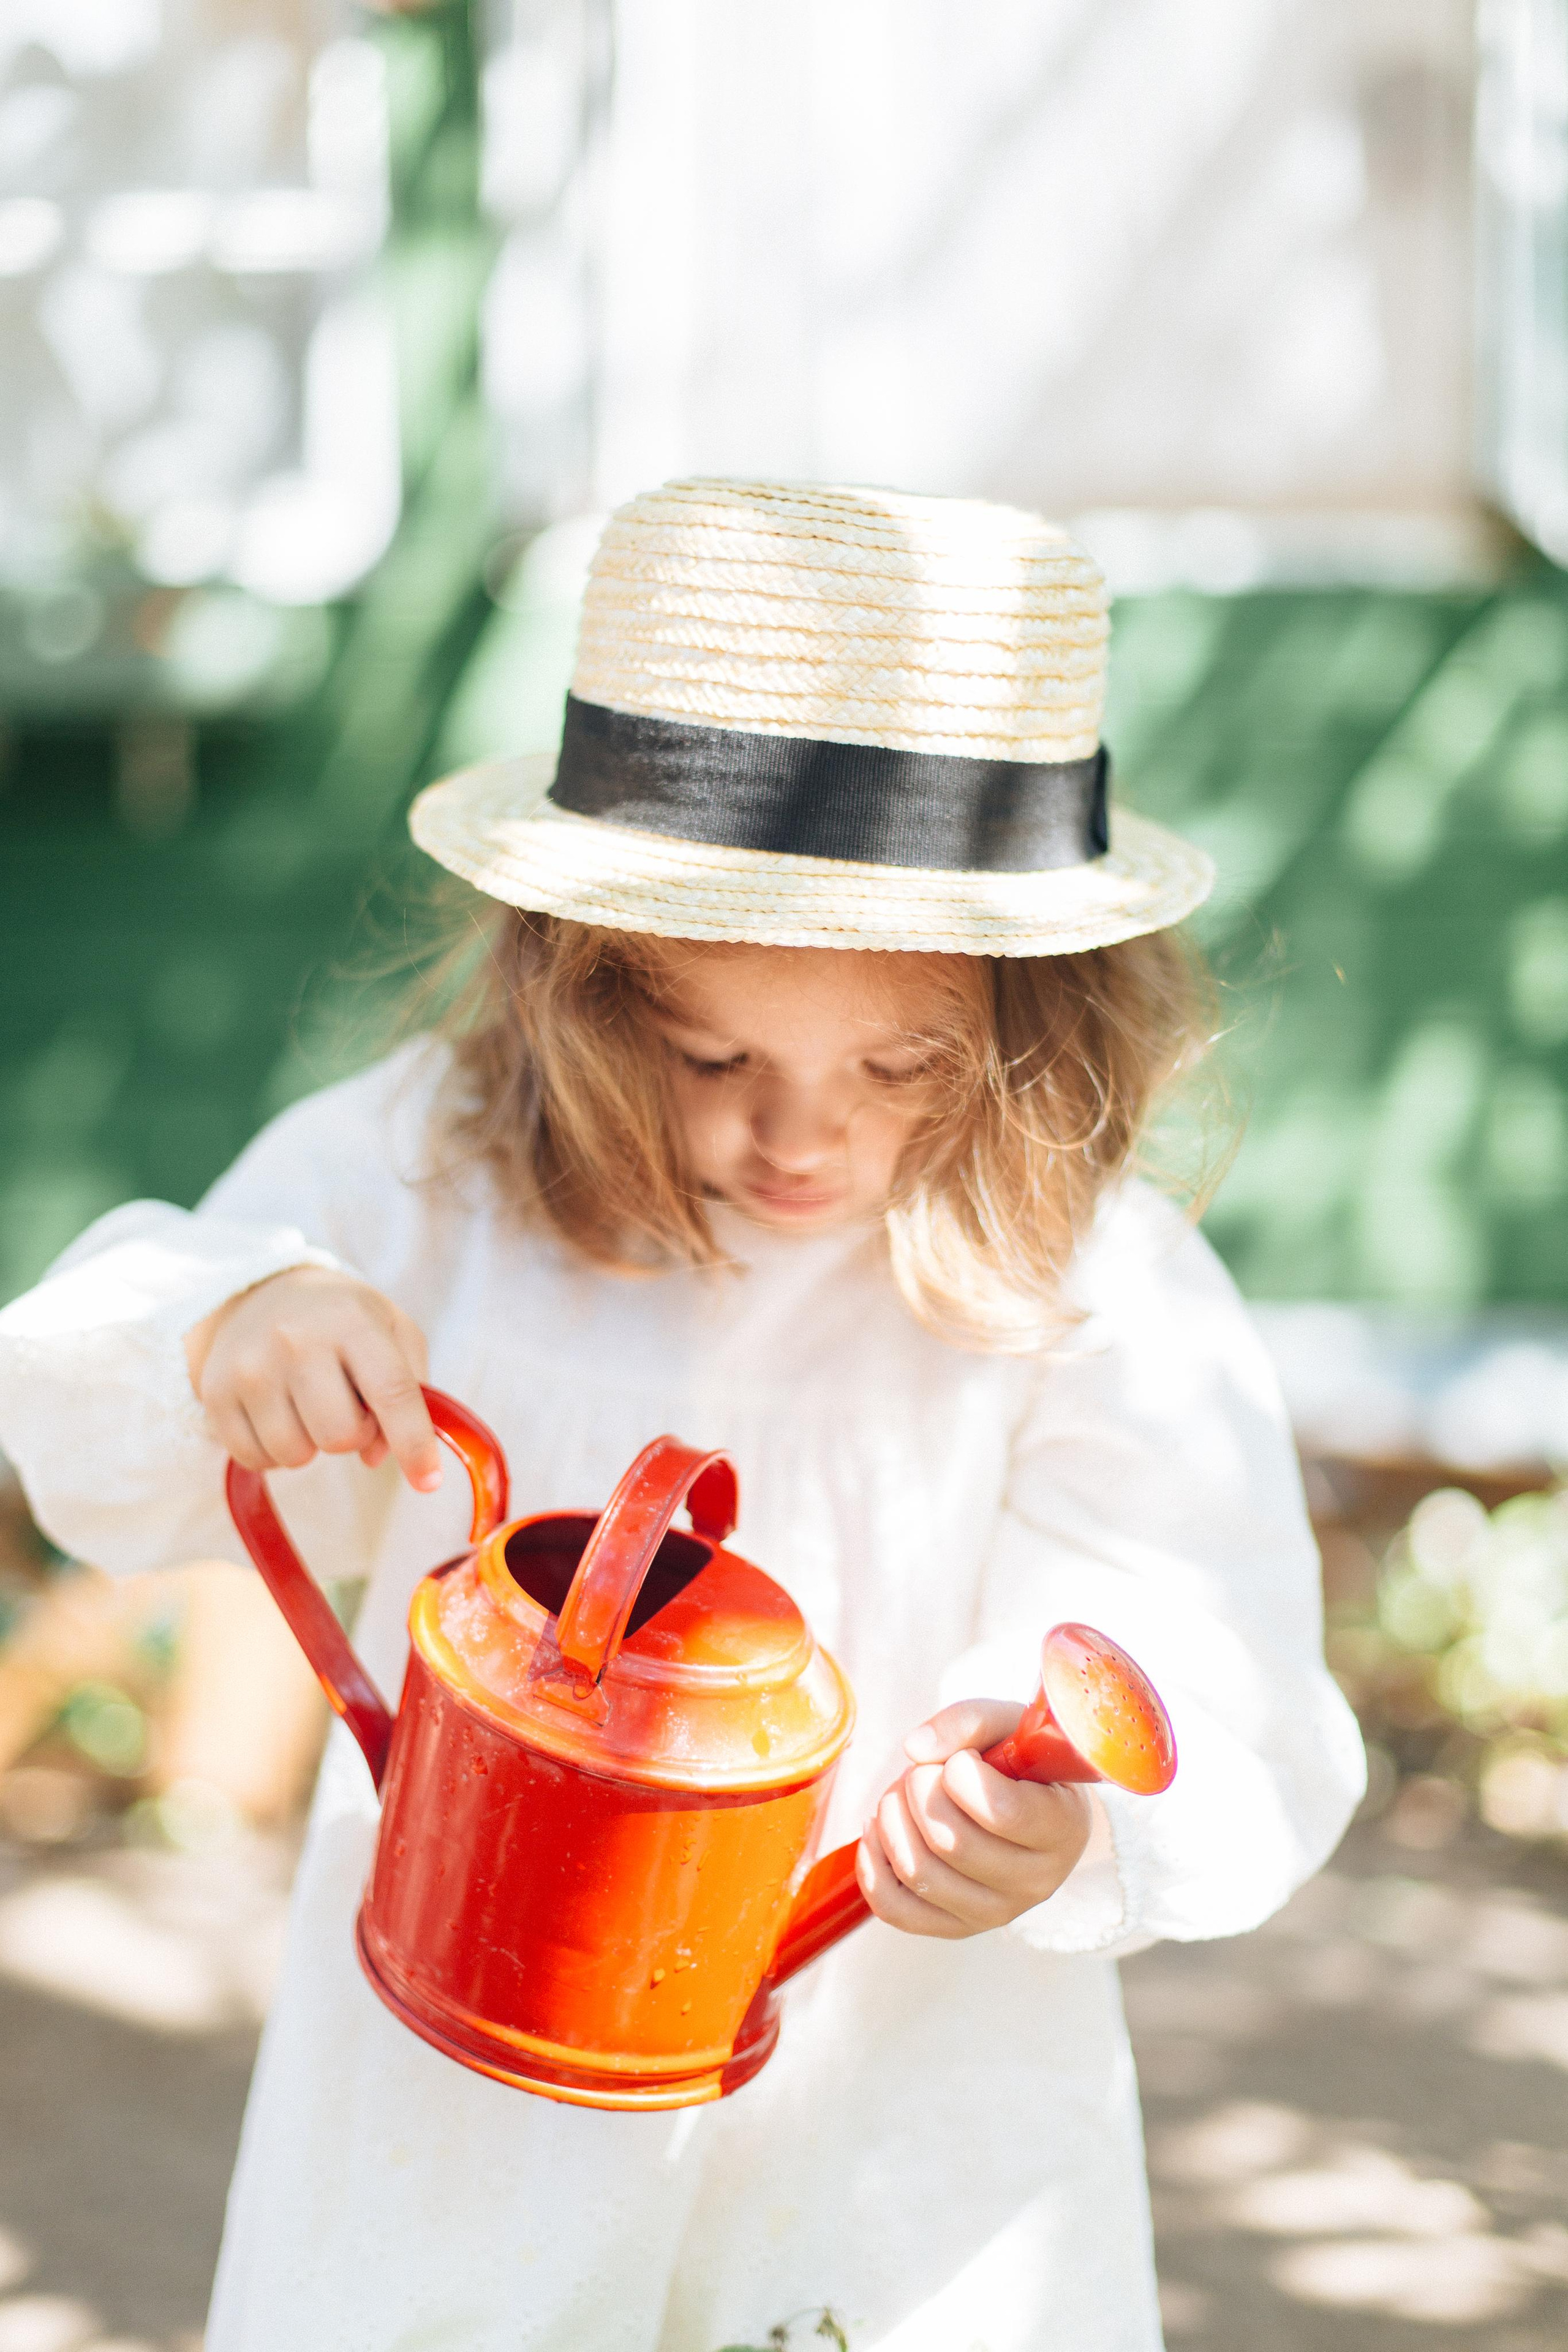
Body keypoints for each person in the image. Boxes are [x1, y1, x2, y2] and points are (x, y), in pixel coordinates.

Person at [0, 480, 1364, 2352]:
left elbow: (1196, 1633)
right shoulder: (443, 1169)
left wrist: (1064, 1824)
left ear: (1034, 1017)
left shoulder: (1083, 1276)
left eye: (900, 1066)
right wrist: (235, 1317)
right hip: (462, 2103)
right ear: (579, 991)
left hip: (895, 2113)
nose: (797, 1137)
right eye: (713, 1057)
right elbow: (98, 1377)